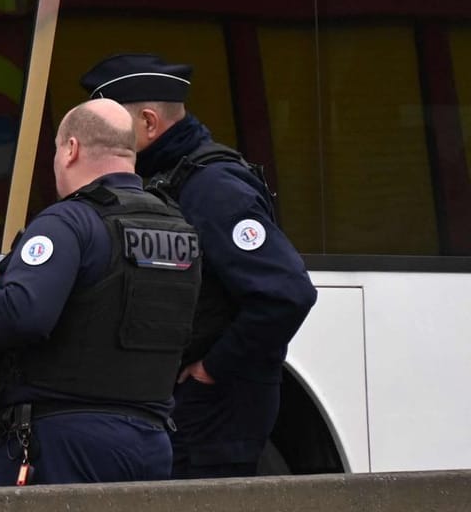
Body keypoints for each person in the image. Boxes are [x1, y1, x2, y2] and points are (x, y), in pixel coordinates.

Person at [81, 52, 318, 478]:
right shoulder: (166, 179)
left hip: (214, 414)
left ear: (149, 123)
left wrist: (212, 369)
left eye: (110, 127)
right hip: (186, 407)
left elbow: (287, 294)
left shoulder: (212, 187)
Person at [0, 99, 201, 486]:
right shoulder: (178, 226)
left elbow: (23, 314)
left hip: (64, 445)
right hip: (151, 441)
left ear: (71, 149)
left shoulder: (67, 222)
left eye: (56, 149)